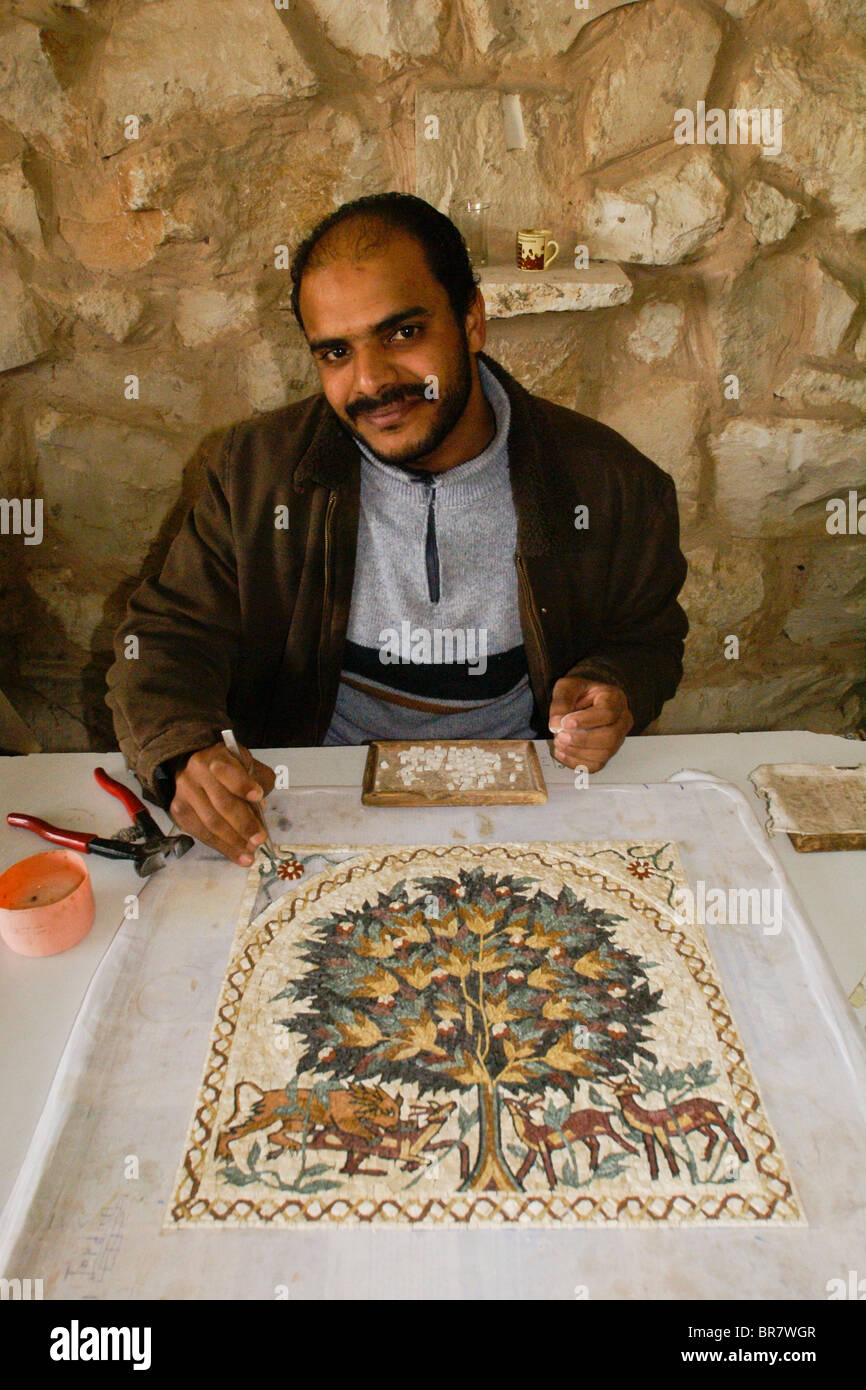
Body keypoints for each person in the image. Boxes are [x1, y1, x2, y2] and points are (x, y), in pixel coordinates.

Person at [106, 193, 688, 866]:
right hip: (312, 802)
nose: (372, 382)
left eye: (402, 334)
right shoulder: (253, 473)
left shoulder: (610, 480)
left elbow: (650, 638)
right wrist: (183, 749)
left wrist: (614, 685)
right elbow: (164, 635)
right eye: (335, 353)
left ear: (471, 321)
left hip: (536, 796)